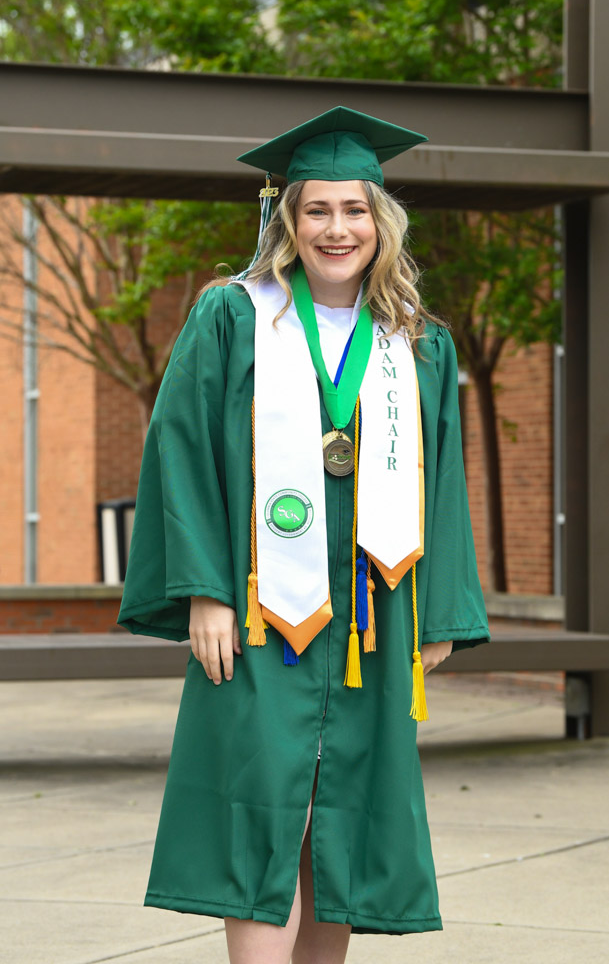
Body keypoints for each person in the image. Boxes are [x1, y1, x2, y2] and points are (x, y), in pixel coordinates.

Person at [117, 106, 490, 964]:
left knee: (345, 813)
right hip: (256, 607)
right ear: (285, 219)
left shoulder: (416, 346)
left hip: (374, 608)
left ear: (380, 221)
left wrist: (435, 616)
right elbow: (182, 453)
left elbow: (442, 485)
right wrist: (203, 589)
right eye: (316, 210)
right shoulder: (232, 316)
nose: (336, 228)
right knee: (259, 803)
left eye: (353, 210)